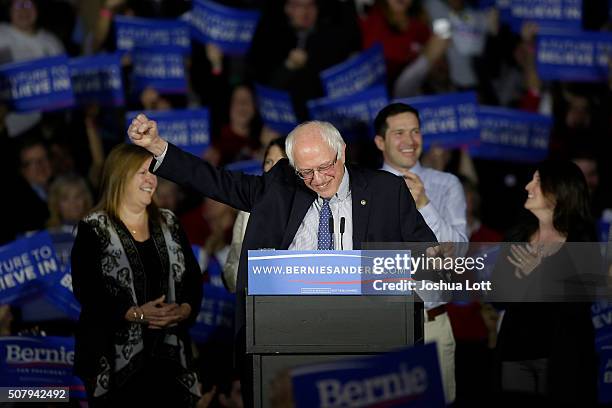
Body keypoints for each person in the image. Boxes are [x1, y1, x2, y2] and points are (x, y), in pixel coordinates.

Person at [128, 113, 437, 403]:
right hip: (285, 338)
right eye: (306, 172)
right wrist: (157, 146)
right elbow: (215, 180)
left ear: (341, 152)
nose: (317, 179)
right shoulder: (280, 186)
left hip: (364, 339)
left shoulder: (386, 190)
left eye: (324, 167)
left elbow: (429, 257)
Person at [71, 143, 203, 407]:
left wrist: (185, 309)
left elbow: (193, 279)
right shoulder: (93, 228)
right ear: (119, 177)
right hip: (113, 359)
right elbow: (87, 290)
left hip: (169, 361)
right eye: (142, 172)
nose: (150, 179)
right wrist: (134, 313)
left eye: (152, 171)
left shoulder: (169, 222)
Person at [373, 102, 468, 403]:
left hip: (432, 324)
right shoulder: (363, 187)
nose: (410, 141)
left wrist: (424, 203)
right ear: (380, 142)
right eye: (399, 132)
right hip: (379, 326)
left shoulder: (446, 184)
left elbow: (459, 255)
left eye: (415, 131)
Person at [494, 160, 598, 404]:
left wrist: (540, 273)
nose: (528, 186)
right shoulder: (517, 235)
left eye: (538, 181)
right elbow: (497, 298)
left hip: (563, 357)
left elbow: (582, 299)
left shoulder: (582, 237)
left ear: (559, 189)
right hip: (515, 353)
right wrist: (518, 278)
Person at [223, 137, 287, 293]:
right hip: (256, 303)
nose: (273, 169)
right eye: (268, 162)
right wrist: (250, 279)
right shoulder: (248, 209)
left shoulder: (311, 206)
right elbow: (233, 265)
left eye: (281, 163)